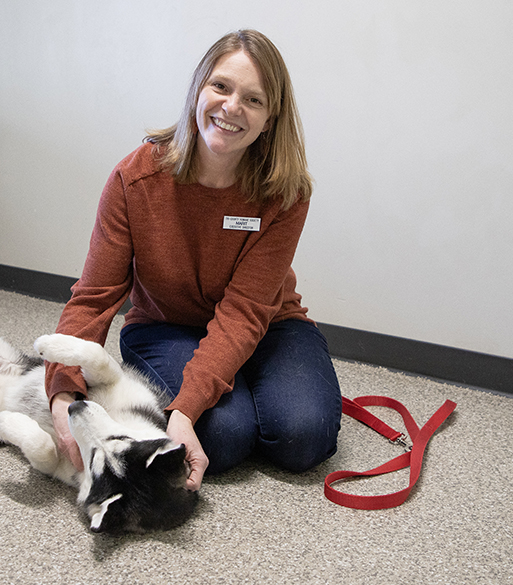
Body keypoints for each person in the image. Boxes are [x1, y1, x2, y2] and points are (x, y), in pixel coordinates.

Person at [44, 29, 342, 491]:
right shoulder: (134, 179)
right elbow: (94, 297)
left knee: (306, 438)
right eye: (220, 87)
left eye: (254, 99)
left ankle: (229, 378)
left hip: (267, 325)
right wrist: (62, 394)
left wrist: (184, 408)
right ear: (198, 89)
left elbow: (245, 311)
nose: (231, 108)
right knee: (224, 438)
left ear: (270, 118)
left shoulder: (287, 193)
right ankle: (228, 384)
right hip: (167, 325)